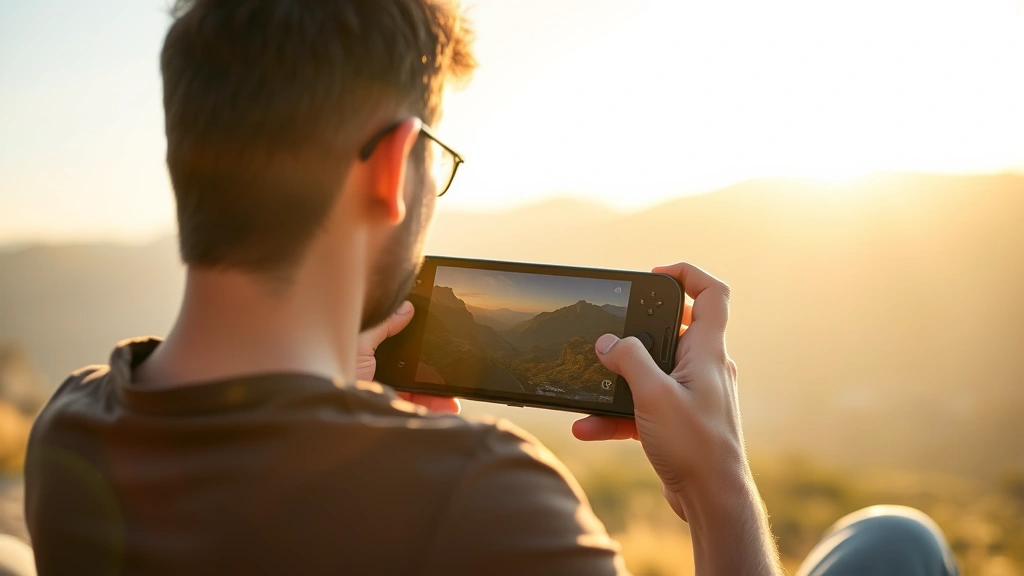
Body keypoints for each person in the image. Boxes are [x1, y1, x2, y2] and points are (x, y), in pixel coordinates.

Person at [22, 1, 960, 575]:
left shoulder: (71, 428)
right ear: (394, 167)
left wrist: (334, 403)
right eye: (439, 155)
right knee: (897, 544)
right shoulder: (485, 499)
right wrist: (716, 483)